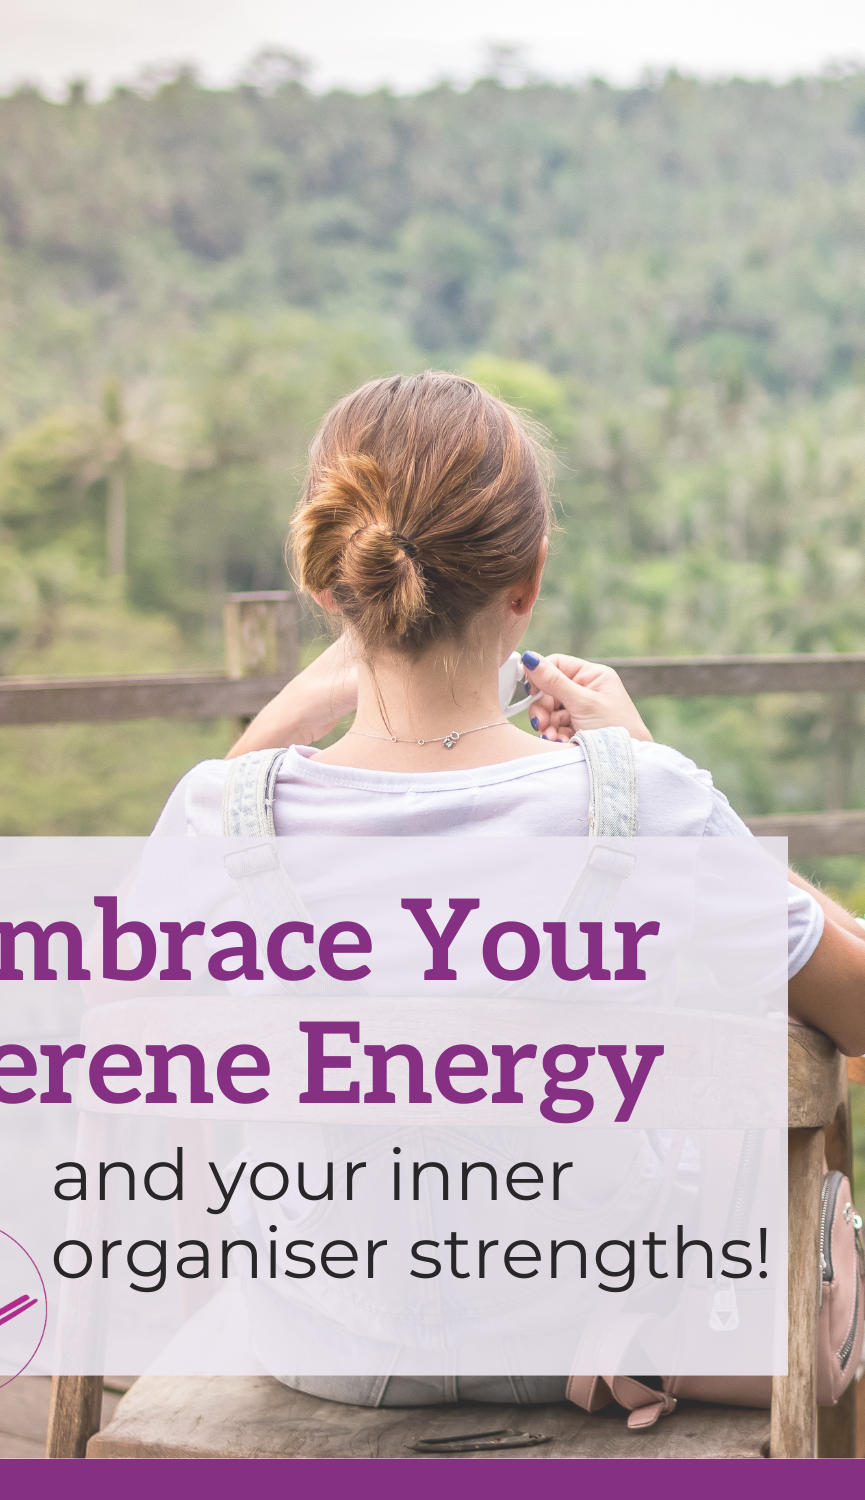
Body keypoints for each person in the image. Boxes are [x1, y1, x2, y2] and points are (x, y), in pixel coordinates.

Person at [152, 370, 865, 1405]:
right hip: (577, 1319)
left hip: (316, 1340)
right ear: (526, 578)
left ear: (327, 582)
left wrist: (277, 725)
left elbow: (111, 1031)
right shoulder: (642, 802)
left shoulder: (214, 820)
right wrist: (648, 762)